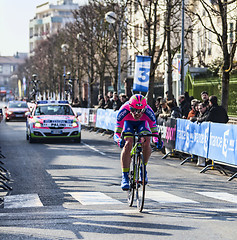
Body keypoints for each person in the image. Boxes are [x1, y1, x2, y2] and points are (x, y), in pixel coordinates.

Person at [114, 94, 162, 190]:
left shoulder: (149, 112)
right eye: (134, 110)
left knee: (147, 140)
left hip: (142, 123)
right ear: (130, 108)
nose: (137, 114)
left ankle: (143, 169)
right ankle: (125, 176)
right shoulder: (123, 111)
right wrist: (119, 140)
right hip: (128, 123)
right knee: (128, 142)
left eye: (140, 111)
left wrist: (157, 141)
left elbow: (154, 132)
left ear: (144, 109)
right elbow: (117, 133)